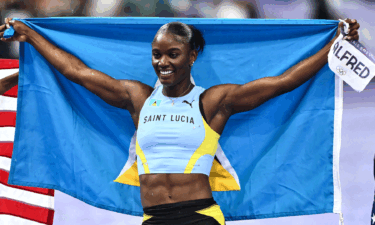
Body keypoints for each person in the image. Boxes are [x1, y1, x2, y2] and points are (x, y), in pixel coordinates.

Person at [0, 18, 360, 225]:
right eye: (156, 55)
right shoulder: (137, 98)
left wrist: (333, 46)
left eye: (173, 54)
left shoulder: (212, 101)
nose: (163, 62)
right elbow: (75, 72)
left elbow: (284, 83)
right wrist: (31, 35)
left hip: (200, 216)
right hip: (153, 218)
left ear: (192, 55)